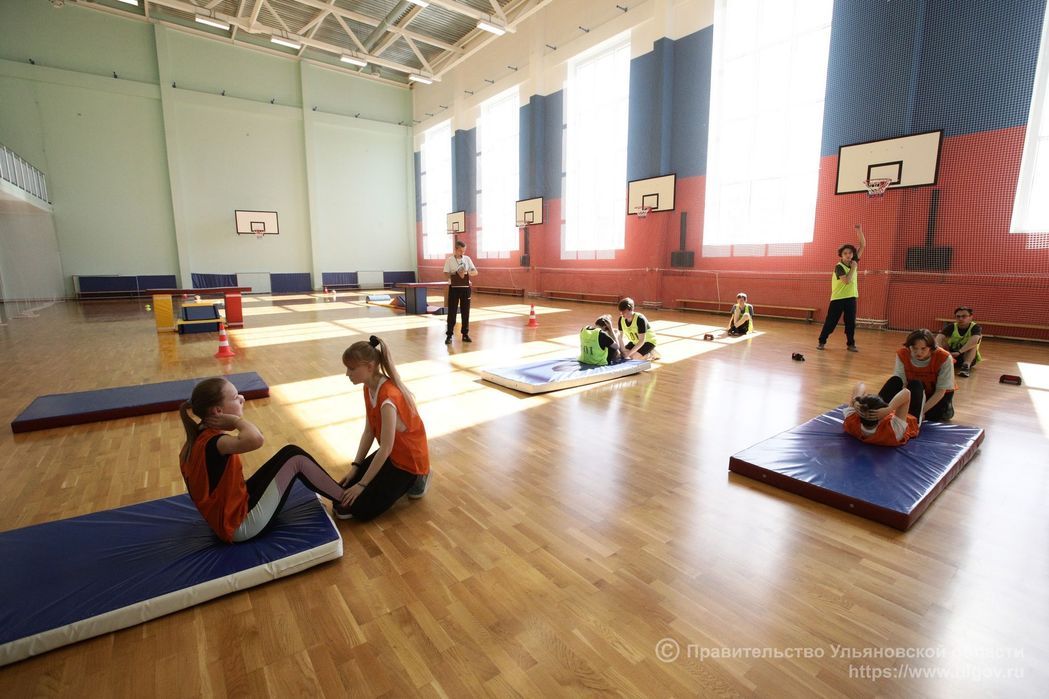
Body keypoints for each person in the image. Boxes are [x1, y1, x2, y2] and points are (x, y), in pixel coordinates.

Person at [178, 378, 347, 543]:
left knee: (288, 452)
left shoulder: (197, 438)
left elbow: (257, 433)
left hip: (226, 517)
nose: (242, 398)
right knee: (295, 458)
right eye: (236, 397)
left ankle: (342, 495)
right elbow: (256, 439)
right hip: (238, 526)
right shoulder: (217, 443)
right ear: (218, 411)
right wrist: (237, 421)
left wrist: (237, 422)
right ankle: (347, 501)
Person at [337, 335, 431, 518]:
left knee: (360, 510)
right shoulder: (368, 387)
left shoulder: (388, 398)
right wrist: (355, 467)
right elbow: (369, 431)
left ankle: (419, 476)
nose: (347, 374)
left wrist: (362, 485)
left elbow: (386, 447)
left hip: (408, 461)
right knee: (342, 495)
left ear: (369, 367)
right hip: (392, 453)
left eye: (351, 368)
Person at [818, 224, 867, 352]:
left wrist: (859, 231)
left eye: (850, 253)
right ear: (841, 255)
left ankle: (851, 344)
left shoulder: (853, 261)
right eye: (845, 253)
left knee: (850, 323)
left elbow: (862, 245)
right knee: (831, 322)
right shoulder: (839, 267)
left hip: (851, 298)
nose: (848, 255)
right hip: (838, 298)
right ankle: (822, 342)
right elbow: (846, 281)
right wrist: (854, 267)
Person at [893, 328, 956, 421]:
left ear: (931, 347)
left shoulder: (944, 357)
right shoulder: (902, 354)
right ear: (909, 346)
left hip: (937, 393)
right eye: (914, 348)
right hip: (915, 390)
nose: (918, 352)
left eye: (923, 348)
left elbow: (940, 391)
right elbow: (902, 384)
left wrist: (921, 411)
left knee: (933, 416)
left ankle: (947, 408)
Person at [842, 380, 922, 446]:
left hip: (890, 414)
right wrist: (889, 409)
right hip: (909, 419)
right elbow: (907, 392)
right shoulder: (894, 431)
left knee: (895, 380)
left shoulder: (851, 421)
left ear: (859, 411)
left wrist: (855, 400)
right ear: (883, 417)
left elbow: (860, 384)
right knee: (915, 384)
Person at [443, 240, 478, 344]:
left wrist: (468, 272)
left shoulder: (467, 259)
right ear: (456, 249)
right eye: (460, 251)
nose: (462, 253)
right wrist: (455, 273)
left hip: (465, 288)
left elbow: (475, 272)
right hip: (454, 288)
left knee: (465, 311)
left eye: (464, 251)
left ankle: (465, 334)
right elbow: (445, 273)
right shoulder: (450, 260)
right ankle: (449, 335)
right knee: (452, 311)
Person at [935, 306, 982, 378]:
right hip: (952, 355)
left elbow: (975, 340)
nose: (960, 318)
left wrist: (959, 352)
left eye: (964, 316)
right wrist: (944, 353)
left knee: (973, 345)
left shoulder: (975, 327)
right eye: (958, 316)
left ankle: (965, 367)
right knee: (941, 339)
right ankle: (941, 362)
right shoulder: (952, 326)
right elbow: (938, 338)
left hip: (966, 356)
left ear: (970, 317)